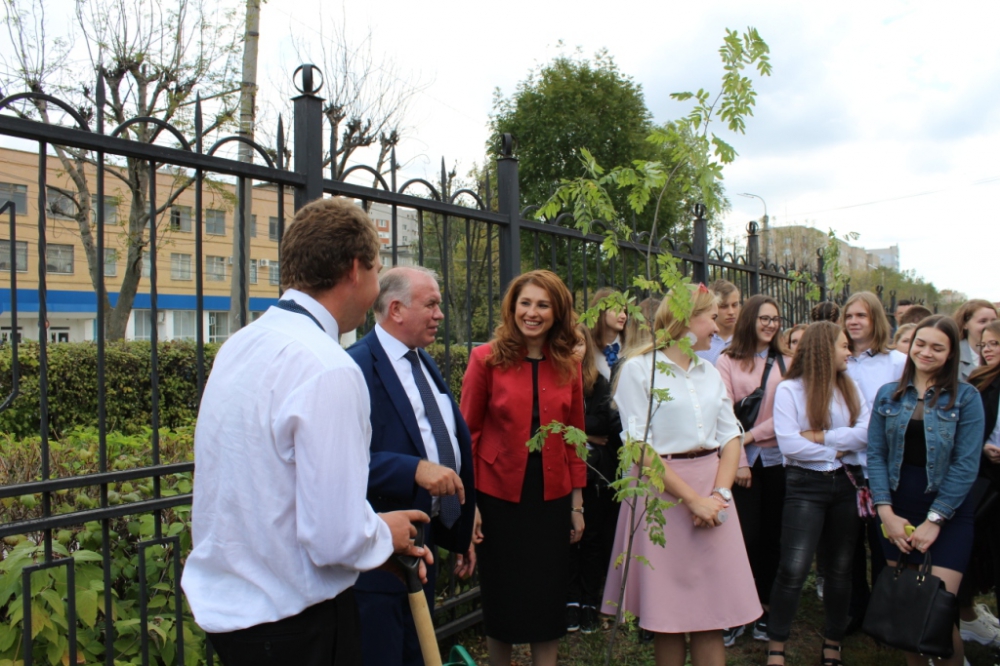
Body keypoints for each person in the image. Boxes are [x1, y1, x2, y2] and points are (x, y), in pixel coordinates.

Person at [182, 197, 430, 666]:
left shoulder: (239, 346)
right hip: (296, 625)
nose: (377, 285)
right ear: (355, 270)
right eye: (377, 269)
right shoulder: (327, 367)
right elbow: (334, 537)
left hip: (233, 621)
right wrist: (383, 532)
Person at [603, 285, 761, 666]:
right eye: (712, 314)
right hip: (662, 493)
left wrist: (719, 495)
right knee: (669, 617)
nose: (721, 321)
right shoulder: (640, 370)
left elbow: (731, 435)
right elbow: (638, 446)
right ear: (687, 320)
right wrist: (691, 500)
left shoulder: (709, 372)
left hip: (712, 487)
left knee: (711, 613)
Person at [347, 266, 476, 666]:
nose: (440, 314)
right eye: (431, 304)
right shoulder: (354, 367)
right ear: (397, 309)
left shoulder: (422, 362)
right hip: (377, 559)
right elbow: (340, 463)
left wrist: (462, 523)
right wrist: (413, 469)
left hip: (423, 545)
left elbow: (443, 438)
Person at [460, 269, 586, 666]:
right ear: (512, 307)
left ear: (557, 312)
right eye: (525, 303)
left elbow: (576, 436)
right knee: (504, 599)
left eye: (542, 305)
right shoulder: (485, 359)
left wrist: (577, 503)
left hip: (551, 497)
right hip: (498, 498)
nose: (532, 312)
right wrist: (472, 503)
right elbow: (468, 434)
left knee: (547, 600)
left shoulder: (569, 364)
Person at [867, 315, 986, 666]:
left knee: (937, 615)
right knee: (907, 611)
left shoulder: (966, 397)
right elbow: (876, 455)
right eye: (920, 344)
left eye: (938, 347)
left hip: (947, 511)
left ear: (951, 353)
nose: (926, 352)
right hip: (897, 508)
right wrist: (885, 512)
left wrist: (936, 519)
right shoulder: (888, 395)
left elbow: (967, 465)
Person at [767, 322, 870, 666]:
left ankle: (833, 643)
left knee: (840, 569)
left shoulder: (850, 387)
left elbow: (866, 434)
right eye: (843, 345)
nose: (850, 351)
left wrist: (821, 438)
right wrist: (838, 447)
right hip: (804, 486)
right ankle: (777, 647)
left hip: (845, 485)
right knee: (793, 568)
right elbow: (789, 443)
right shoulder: (790, 390)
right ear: (825, 349)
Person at [716, 295, 793, 646]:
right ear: (750, 320)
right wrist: (742, 458)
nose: (770, 324)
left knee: (773, 538)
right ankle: (735, 611)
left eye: (775, 319)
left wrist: (751, 435)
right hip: (740, 463)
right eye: (764, 318)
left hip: (779, 461)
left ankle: (764, 608)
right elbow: (723, 413)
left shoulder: (788, 362)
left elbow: (790, 415)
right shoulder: (727, 360)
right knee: (743, 539)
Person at [840, 291, 905, 630]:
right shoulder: (840, 360)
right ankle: (855, 609)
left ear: (875, 320)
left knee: (883, 543)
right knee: (849, 544)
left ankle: (885, 613)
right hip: (846, 463)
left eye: (861, 316)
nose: (853, 322)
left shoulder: (895, 362)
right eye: (849, 316)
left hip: (883, 465)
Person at [566, 324, 622, 635]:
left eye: (579, 344)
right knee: (568, 538)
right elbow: (547, 422)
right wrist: (585, 433)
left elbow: (607, 421)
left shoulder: (599, 382)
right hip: (563, 473)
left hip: (595, 473)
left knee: (592, 537)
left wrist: (574, 429)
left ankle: (589, 598)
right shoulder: (552, 379)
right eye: (567, 343)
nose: (574, 349)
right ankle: (570, 599)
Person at [957, 320, 1000, 647]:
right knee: (977, 553)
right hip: (985, 481)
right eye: (984, 345)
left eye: (995, 344)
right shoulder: (979, 381)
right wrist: (981, 445)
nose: (987, 350)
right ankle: (967, 615)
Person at [953, 299, 999, 381]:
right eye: (983, 321)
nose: (989, 326)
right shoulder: (953, 355)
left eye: (993, 321)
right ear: (965, 324)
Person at [697, 279, 740, 365]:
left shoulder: (747, 338)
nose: (731, 312)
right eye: (723, 306)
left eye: (735, 305)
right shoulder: (700, 341)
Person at [589, 287, 629, 380]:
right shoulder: (588, 347)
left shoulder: (631, 346)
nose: (623, 316)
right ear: (602, 313)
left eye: (624, 311)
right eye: (617, 310)